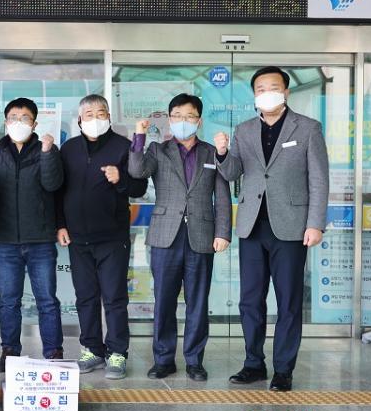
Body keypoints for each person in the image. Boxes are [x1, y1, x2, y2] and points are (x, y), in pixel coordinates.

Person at [215, 66, 329, 392]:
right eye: (261, 89)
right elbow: (233, 172)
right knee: (250, 301)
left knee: (288, 301)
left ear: (286, 92)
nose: (267, 93)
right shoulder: (244, 130)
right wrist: (222, 153)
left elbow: (319, 179)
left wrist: (315, 223)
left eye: (273, 87)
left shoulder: (307, 128)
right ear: (254, 95)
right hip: (252, 226)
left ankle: (283, 369)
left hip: (291, 228)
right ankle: (254, 363)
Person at [128, 94, 231, 382]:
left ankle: (195, 361)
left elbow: (222, 196)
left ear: (199, 120)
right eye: (177, 115)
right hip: (165, 235)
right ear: (170, 119)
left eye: (189, 116)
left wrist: (223, 232)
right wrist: (139, 136)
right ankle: (163, 360)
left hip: (201, 235)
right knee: (164, 300)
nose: (183, 121)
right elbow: (136, 170)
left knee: (198, 301)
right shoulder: (157, 150)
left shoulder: (211, 152)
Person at [57, 94, 148, 379]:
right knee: (85, 297)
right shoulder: (68, 149)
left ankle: (117, 352)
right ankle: (92, 349)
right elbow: (58, 190)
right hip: (77, 239)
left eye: (101, 113)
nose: (95, 119)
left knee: (114, 297)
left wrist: (121, 178)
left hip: (112, 238)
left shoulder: (123, 146)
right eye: (89, 114)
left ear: (109, 116)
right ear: (79, 119)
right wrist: (60, 225)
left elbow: (139, 187)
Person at [0, 97, 64, 372]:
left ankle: (53, 352)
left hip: (40, 239)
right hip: (5, 240)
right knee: (9, 301)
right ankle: (9, 351)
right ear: (5, 122)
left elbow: (53, 185)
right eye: (13, 118)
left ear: (35, 123)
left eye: (25, 118)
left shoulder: (47, 150)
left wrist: (47, 152)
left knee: (47, 300)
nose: (19, 123)